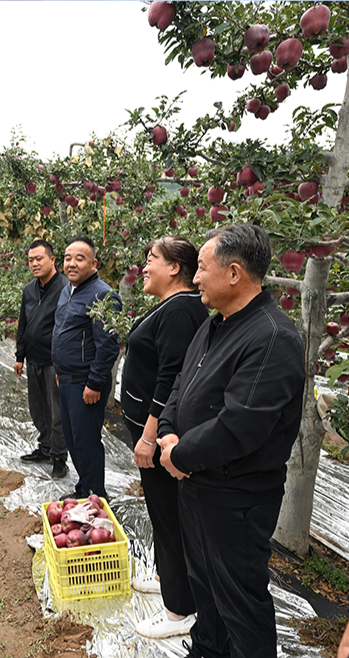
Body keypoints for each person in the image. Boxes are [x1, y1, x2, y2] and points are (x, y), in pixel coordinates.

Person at [157, 224, 304, 658]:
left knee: (240, 600)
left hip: (236, 499)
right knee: (206, 590)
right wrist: (167, 430)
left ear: (234, 273)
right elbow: (181, 385)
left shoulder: (272, 337)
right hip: (198, 488)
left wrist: (178, 453)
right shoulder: (213, 325)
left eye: (201, 268)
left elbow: (240, 424)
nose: (195, 277)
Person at [120, 236, 207, 639]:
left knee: (170, 516)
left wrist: (150, 436)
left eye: (151, 258)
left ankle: (179, 611)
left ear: (174, 268)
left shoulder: (179, 311)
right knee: (163, 512)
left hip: (156, 433)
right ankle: (171, 579)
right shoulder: (174, 307)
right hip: (151, 428)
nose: (144, 265)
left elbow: (170, 378)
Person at [51, 236, 121, 500]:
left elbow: (107, 346)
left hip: (85, 383)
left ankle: (94, 496)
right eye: (68, 258)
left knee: (86, 442)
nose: (71, 263)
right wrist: (60, 370)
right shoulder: (67, 290)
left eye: (79, 258)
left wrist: (94, 382)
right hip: (67, 379)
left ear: (94, 263)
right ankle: (84, 489)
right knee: (73, 440)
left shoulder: (102, 295)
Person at [14, 239, 70, 480]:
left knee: (57, 413)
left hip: (53, 362)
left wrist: (62, 363)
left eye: (39, 259)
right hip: (34, 359)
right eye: (30, 260)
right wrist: (19, 355)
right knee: (38, 409)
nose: (34, 264)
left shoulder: (65, 288)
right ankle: (45, 448)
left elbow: (67, 327)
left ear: (52, 260)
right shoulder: (29, 290)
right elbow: (23, 324)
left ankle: (59, 457)